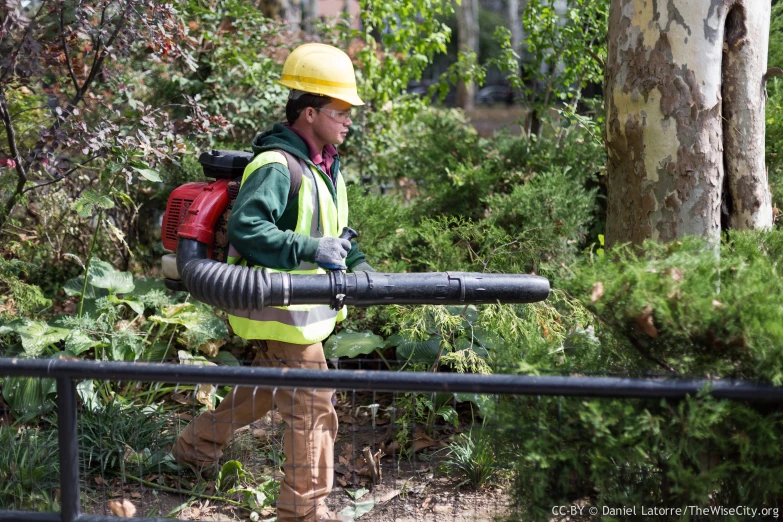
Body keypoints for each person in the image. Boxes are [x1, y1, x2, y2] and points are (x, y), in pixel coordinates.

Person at [172, 43, 374, 522]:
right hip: (281, 310)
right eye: (340, 110)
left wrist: (362, 268)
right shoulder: (277, 166)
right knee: (313, 405)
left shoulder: (326, 164)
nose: (349, 119)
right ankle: (302, 512)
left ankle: (192, 449)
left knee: (264, 389)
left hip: (304, 311)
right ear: (310, 112)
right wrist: (309, 250)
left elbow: (334, 234)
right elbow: (249, 230)